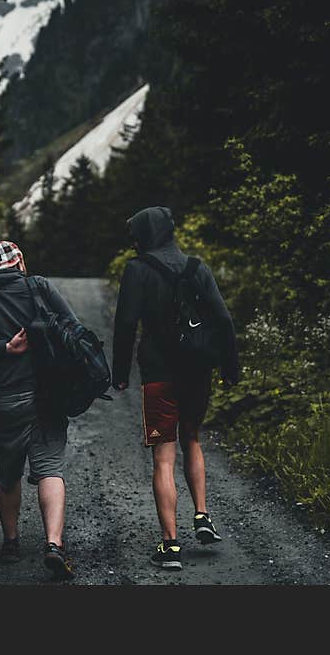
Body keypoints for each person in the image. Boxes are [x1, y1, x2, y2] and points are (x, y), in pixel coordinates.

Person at [112, 207, 239, 570]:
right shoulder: (197, 267)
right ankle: (201, 514)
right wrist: (230, 368)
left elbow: (125, 324)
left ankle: (170, 546)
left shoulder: (137, 270)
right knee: (193, 438)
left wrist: (120, 373)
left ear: (143, 237)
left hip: (159, 372)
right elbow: (224, 319)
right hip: (198, 370)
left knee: (163, 457)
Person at [0, 241, 76, 580]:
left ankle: (10, 543)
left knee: (7, 474)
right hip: (45, 396)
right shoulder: (38, 287)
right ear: (18, 259)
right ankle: (54, 544)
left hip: (1, 401)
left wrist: (1, 348)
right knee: (50, 468)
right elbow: (72, 326)